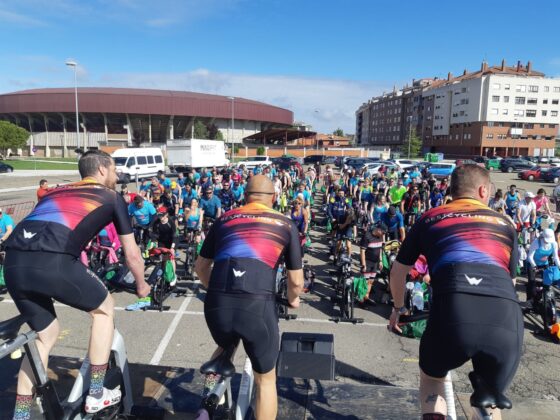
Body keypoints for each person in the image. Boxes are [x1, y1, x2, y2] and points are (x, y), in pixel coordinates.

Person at [3, 151, 150, 418]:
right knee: (104, 309)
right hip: (53, 261)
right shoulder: (110, 197)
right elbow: (131, 254)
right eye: (115, 170)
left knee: (44, 335)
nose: (117, 177)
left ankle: (21, 414)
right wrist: (142, 285)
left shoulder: (52, 193)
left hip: (13, 263)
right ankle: (96, 393)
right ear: (103, 170)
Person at [389, 164, 522, 420]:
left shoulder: (431, 217)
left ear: (452, 189)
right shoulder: (505, 223)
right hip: (504, 316)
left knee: (432, 379)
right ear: (484, 190)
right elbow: (512, 282)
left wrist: (399, 309)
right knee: (489, 399)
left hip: (453, 309)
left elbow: (398, 272)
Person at [195, 175, 304, 420]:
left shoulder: (224, 219)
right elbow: (296, 281)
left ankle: (205, 406)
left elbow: (201, 268)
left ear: (244, 197)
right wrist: (293, 299)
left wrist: (217, 292)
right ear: (274, 198)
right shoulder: (285, 224)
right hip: (257, 307)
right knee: (265, 379)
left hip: (217, 306)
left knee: (225, 345)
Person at [525, 228, 560, 305]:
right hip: (533, 264)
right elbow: (530, 256)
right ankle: (529, 300)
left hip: (544, 264)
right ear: (542, 237)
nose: (548, 242)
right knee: (531, 282)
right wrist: (534, 266)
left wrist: (559, 266)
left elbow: (556, 257)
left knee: (547, 282)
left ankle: (541, 296)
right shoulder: (536, 243)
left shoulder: (554, 244)